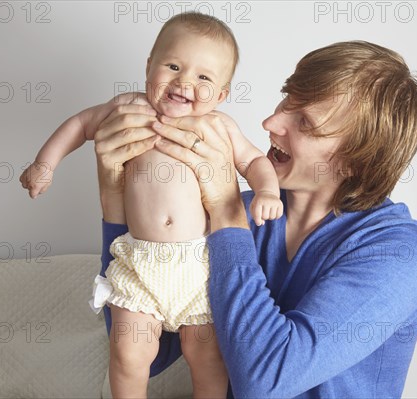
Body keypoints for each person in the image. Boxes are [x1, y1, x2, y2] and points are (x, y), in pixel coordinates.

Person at [94, 40, 417, 398]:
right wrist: (113, 200)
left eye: (305, 121)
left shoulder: (398, 253)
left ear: (354, 162)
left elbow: (266, 381)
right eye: (288, 99)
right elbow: (154, 352)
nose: (270, 122)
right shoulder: (244, 216)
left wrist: (225, 210)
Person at [20, 12, 282, 398]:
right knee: (128, 352)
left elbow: (255, 161)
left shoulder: (219, 127)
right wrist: (45, 163)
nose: (184, 82)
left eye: (203, 77)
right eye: (173, 66)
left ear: (223, 95)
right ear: (149, 67)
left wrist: (267, 192)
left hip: (200, 266)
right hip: (139, 262)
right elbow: (79, 125)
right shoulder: (127, 108)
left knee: (208, 355)